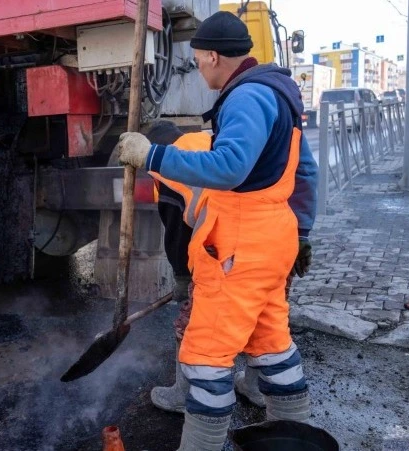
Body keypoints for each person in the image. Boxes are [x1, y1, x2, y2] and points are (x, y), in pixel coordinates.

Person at [116, 11, 317, 450]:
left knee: (206, 359)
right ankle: (294, 440)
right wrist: (300, 233)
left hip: (238, 249)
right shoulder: (281, 93)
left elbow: (228, 168)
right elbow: (305, 172)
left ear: (210, 56)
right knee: (272, 346)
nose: (199, 67)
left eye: (198, 59)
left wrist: (150, 157)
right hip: (271, 241)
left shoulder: (246, 97)